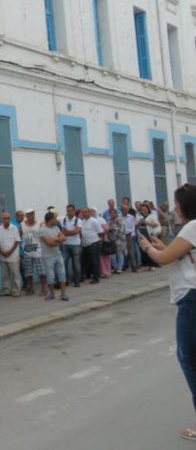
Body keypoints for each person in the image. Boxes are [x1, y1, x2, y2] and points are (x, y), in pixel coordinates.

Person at [137, 184, 196, 442]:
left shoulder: (192, 226)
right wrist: (162, 246)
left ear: (185, 205)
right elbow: (177, 255)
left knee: (188, 359)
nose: (174, 207)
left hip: (191, 299)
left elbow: (162, 259)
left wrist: (148, 248)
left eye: (176, 202)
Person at [40, 213, 69, 301]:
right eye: (55, 218)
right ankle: (51, 294)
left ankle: (63, 294)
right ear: (51, 219)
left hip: (57, 254)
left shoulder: (56, 228)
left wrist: (56, 240)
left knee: (62, 274)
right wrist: (58, 240)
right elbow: (50, 243)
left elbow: (64, 238)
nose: (57, 220)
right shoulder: (42, 230)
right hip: (48, 257)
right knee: (50, 276)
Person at [0, 212, 21, 297]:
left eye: (8, 218)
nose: (7, 220)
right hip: (3, 256)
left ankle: (16, 291)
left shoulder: (14, 228)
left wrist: (10, 252)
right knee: (5, 275)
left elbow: (17, 241)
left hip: (13, 256)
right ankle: (6, 290)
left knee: (15, 274)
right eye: (5, 218)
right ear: (2, 219)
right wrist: (2, 252)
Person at [21, 209, 46, 295]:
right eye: (29, 214)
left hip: (38, 250)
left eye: (32, 214)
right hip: (27, 250)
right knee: (29, 272)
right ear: (26, 216)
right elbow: (20, 235)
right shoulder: (22, 225)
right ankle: (31, 288)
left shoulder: (39, 224)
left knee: (41, 271)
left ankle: (44, 288)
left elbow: (43, 235)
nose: (31, 216)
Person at [61, 204, 82, 288]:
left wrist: (67, 232)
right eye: (68, 211)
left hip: (76, 244)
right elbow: (63, 232)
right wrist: (70, 232)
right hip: (65, 244)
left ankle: (77, 281)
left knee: (76, 264)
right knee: (64, 263)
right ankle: (66, 280)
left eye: (70, 210)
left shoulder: (78, 220)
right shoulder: (64, 220)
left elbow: (77, 232)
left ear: (74, 211)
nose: (69, 212)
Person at [80, 208, 103, 284]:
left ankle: (96, 277)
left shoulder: (94, 221)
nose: (85, 214)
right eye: (83, 213)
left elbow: (100, 232)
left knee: (95, 261)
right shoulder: (81, 222)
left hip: (94, 243)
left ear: (89, 212)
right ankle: (86, 275)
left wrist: (98, 242)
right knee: (84, 261)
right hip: (84, 244)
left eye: (86, 212)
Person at [138, 202, 162, 271]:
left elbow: (156, 224)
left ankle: (153, 264)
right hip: (142, 233)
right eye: (142, 209)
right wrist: (139, 223)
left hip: (150, 233)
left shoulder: (152, 215)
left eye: (145, 209)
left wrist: (146, 222)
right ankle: (146, 265)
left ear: (148, 209)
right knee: (144, 249)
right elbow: (136, 224)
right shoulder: (139, 215)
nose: (143, 211)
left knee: (151, 248)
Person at [108, 209, 127, 274]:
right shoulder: (109, 220)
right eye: (111, 213)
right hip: (111, 239)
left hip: (119, 239)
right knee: (112, 255)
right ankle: (115, 267)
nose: (112, 214)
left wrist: (114, 229)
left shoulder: (120, 219)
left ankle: (119, 267)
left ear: (116, 213)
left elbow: (122, 229)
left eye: (113, 213)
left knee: (119, 254)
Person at [122, 203, 138, 272]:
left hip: (129, 235)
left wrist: (133, 235)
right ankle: (124, 265)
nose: (125, 211)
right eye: (124, 210)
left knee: (131, 251)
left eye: (126, 210)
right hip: (122, 235)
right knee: (123, 251)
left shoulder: (131, 217)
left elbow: (133, 226)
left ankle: (133, 266)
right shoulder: (119, 217)